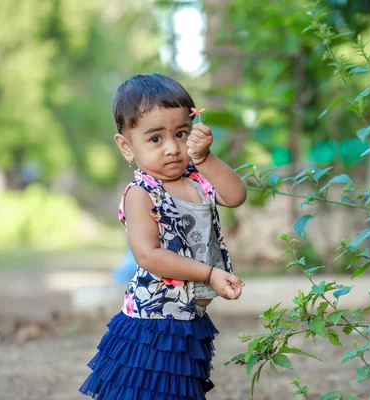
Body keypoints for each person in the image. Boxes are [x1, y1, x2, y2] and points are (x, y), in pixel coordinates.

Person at [79, 73, 246, 399]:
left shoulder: (199, 178)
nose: (172, 148)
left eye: (181, 133)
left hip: (188, 318)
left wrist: (206, 157)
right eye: (155, 139)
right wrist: (210, 274)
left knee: (181, 391)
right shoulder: (142, 194)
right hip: (154, 323)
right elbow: (149, 256)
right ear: (127, 146)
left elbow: (236, 194)